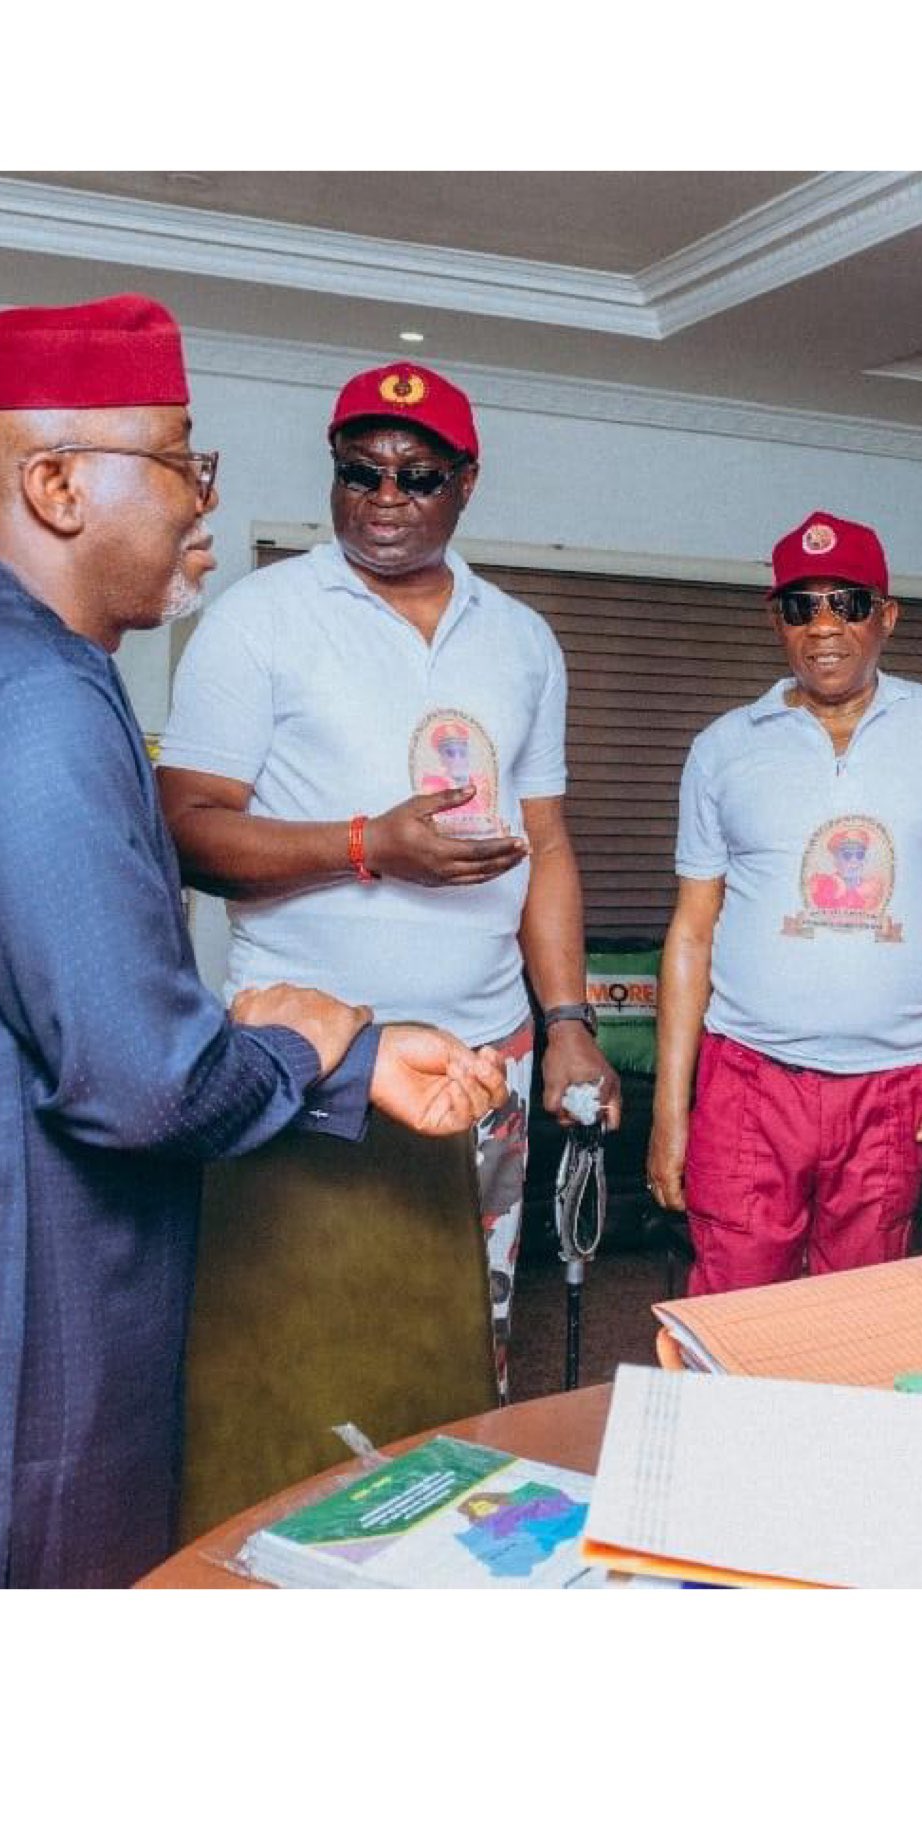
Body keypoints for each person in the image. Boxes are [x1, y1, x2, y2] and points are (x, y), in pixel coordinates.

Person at [0, 296, 506, 1589]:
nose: (200, 501)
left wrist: (341, 1059)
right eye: (180, 461)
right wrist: (303, 1043)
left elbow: (22, 1026)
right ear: (57, 484)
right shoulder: (30, 706)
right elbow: (141, 1083)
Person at [157, 361, 617, 1389]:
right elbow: (186, 830)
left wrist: (569, 1020)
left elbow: (545, 841)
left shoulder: (521, 640)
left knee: (465, 1339)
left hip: (483, 1061)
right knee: (298, 1356)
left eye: (416, 477)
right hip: (311, 1062)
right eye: (358, 473)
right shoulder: (259, 616)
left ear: (466, 481)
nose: (383, 500)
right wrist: (369, 845)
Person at [647, 512, 922, 1294]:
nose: (823, 627)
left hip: (893, 1086)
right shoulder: (724, 748)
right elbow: (692, 933)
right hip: (747, 1079)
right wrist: (671, 1110)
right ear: (774, 621)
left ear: (887, 615)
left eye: (846, 602)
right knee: (736, 1316)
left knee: (858, 1320)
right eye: (799, 606)